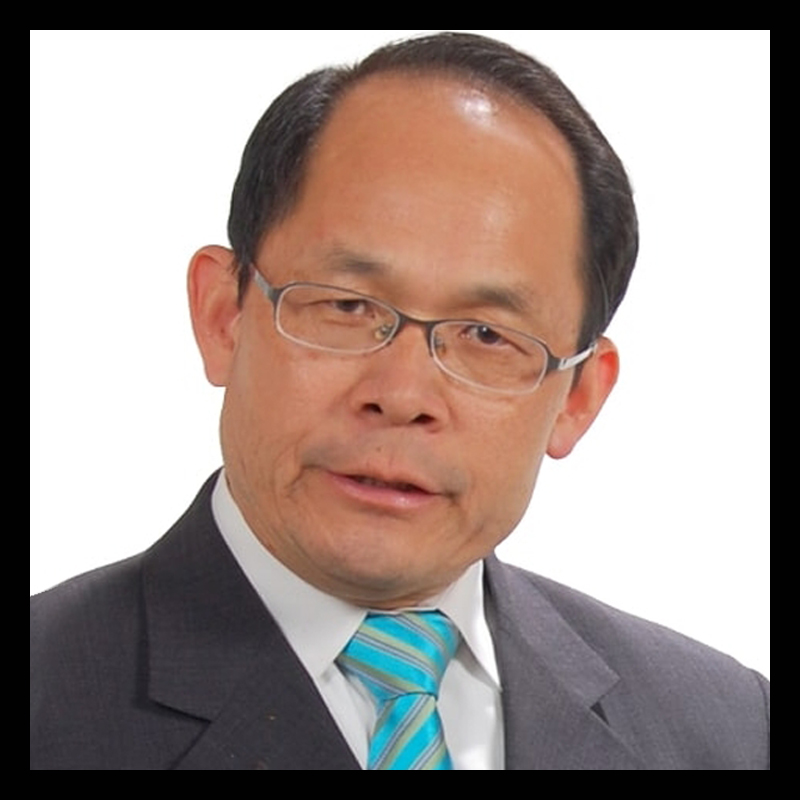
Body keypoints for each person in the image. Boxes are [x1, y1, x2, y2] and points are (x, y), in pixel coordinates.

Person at [30, 32, 769, 770]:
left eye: (486, 335)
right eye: (347, 307)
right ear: (223, 315)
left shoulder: (731, 729)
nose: (403, 396)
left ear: (579, 395)